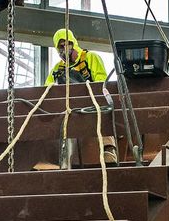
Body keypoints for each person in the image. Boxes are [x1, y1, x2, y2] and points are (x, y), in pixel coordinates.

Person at [45, 28, 117, 164]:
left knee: (102, 110)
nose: (63, 49)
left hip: (92, 105)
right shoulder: (57, 69)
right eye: (60, 47)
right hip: (70, 109)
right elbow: (47, 90)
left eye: (66, 44)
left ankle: (109, 148)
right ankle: (66, 157)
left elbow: (101, 83)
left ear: (72, 42)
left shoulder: (90, 58)